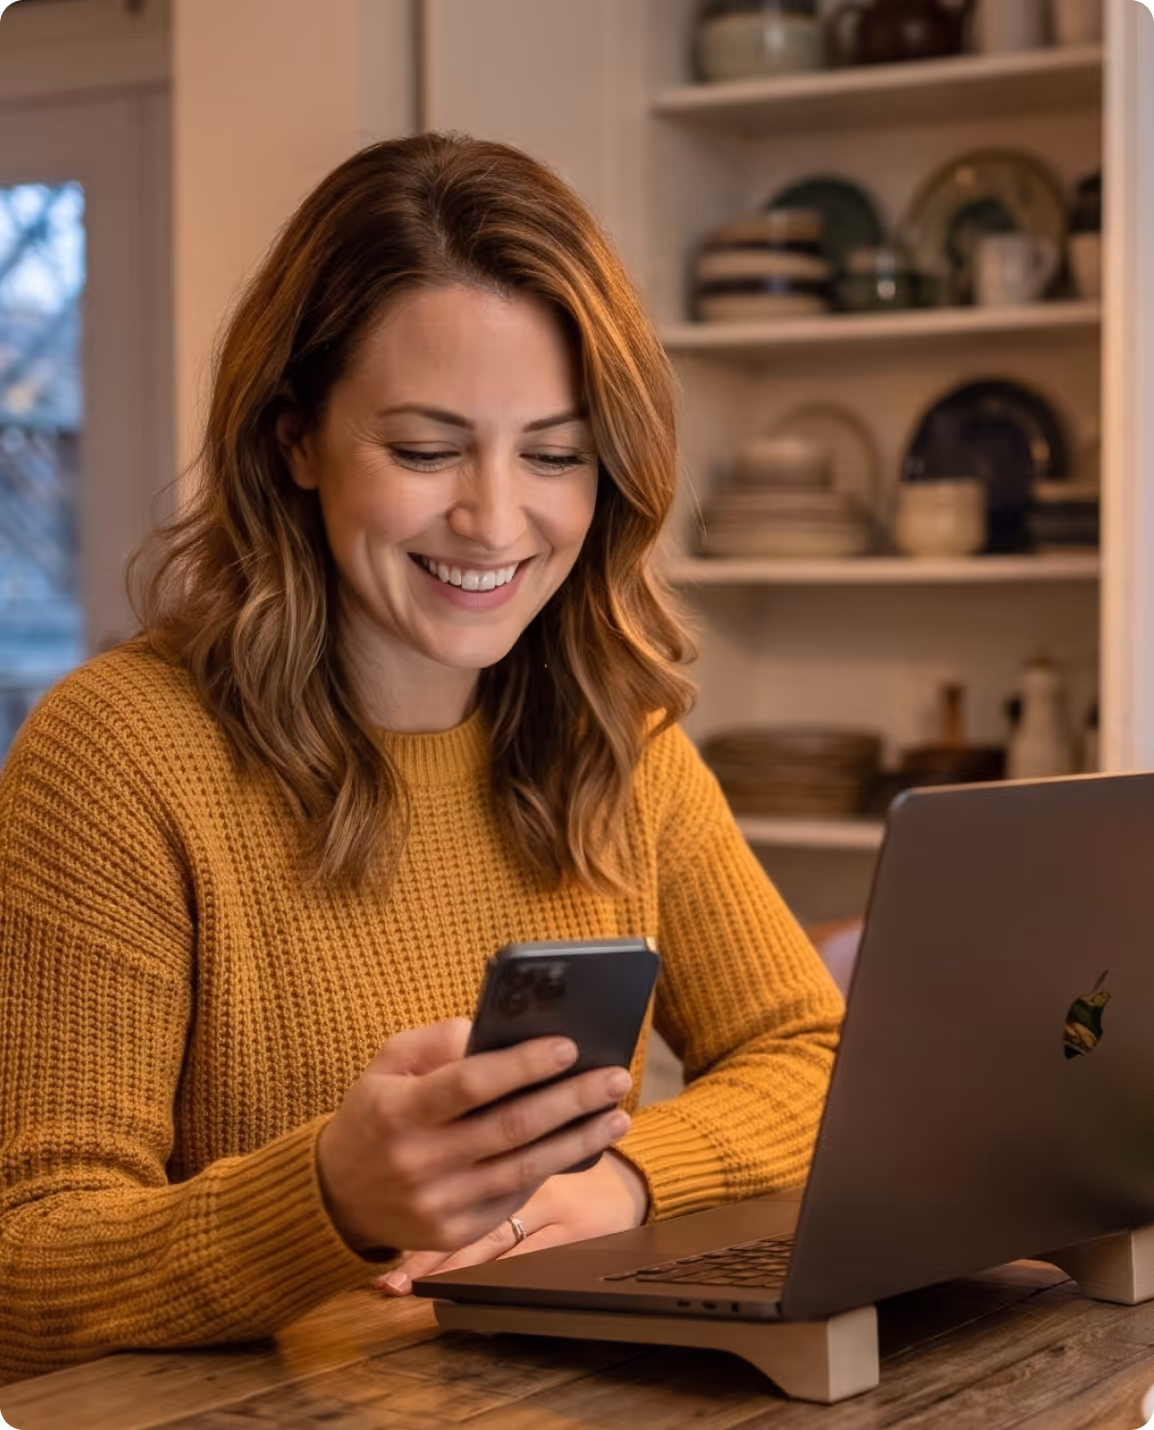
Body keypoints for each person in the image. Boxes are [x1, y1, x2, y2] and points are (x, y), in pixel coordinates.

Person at [0, 132, 843, 1384]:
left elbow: (812, 1055)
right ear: (294, 438)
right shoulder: (118, 753)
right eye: (425, 448)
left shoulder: (616, 737)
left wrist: (624, 1178)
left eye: (553, 454)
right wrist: (333, 1195)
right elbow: (29, 1268)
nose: (496, 520)